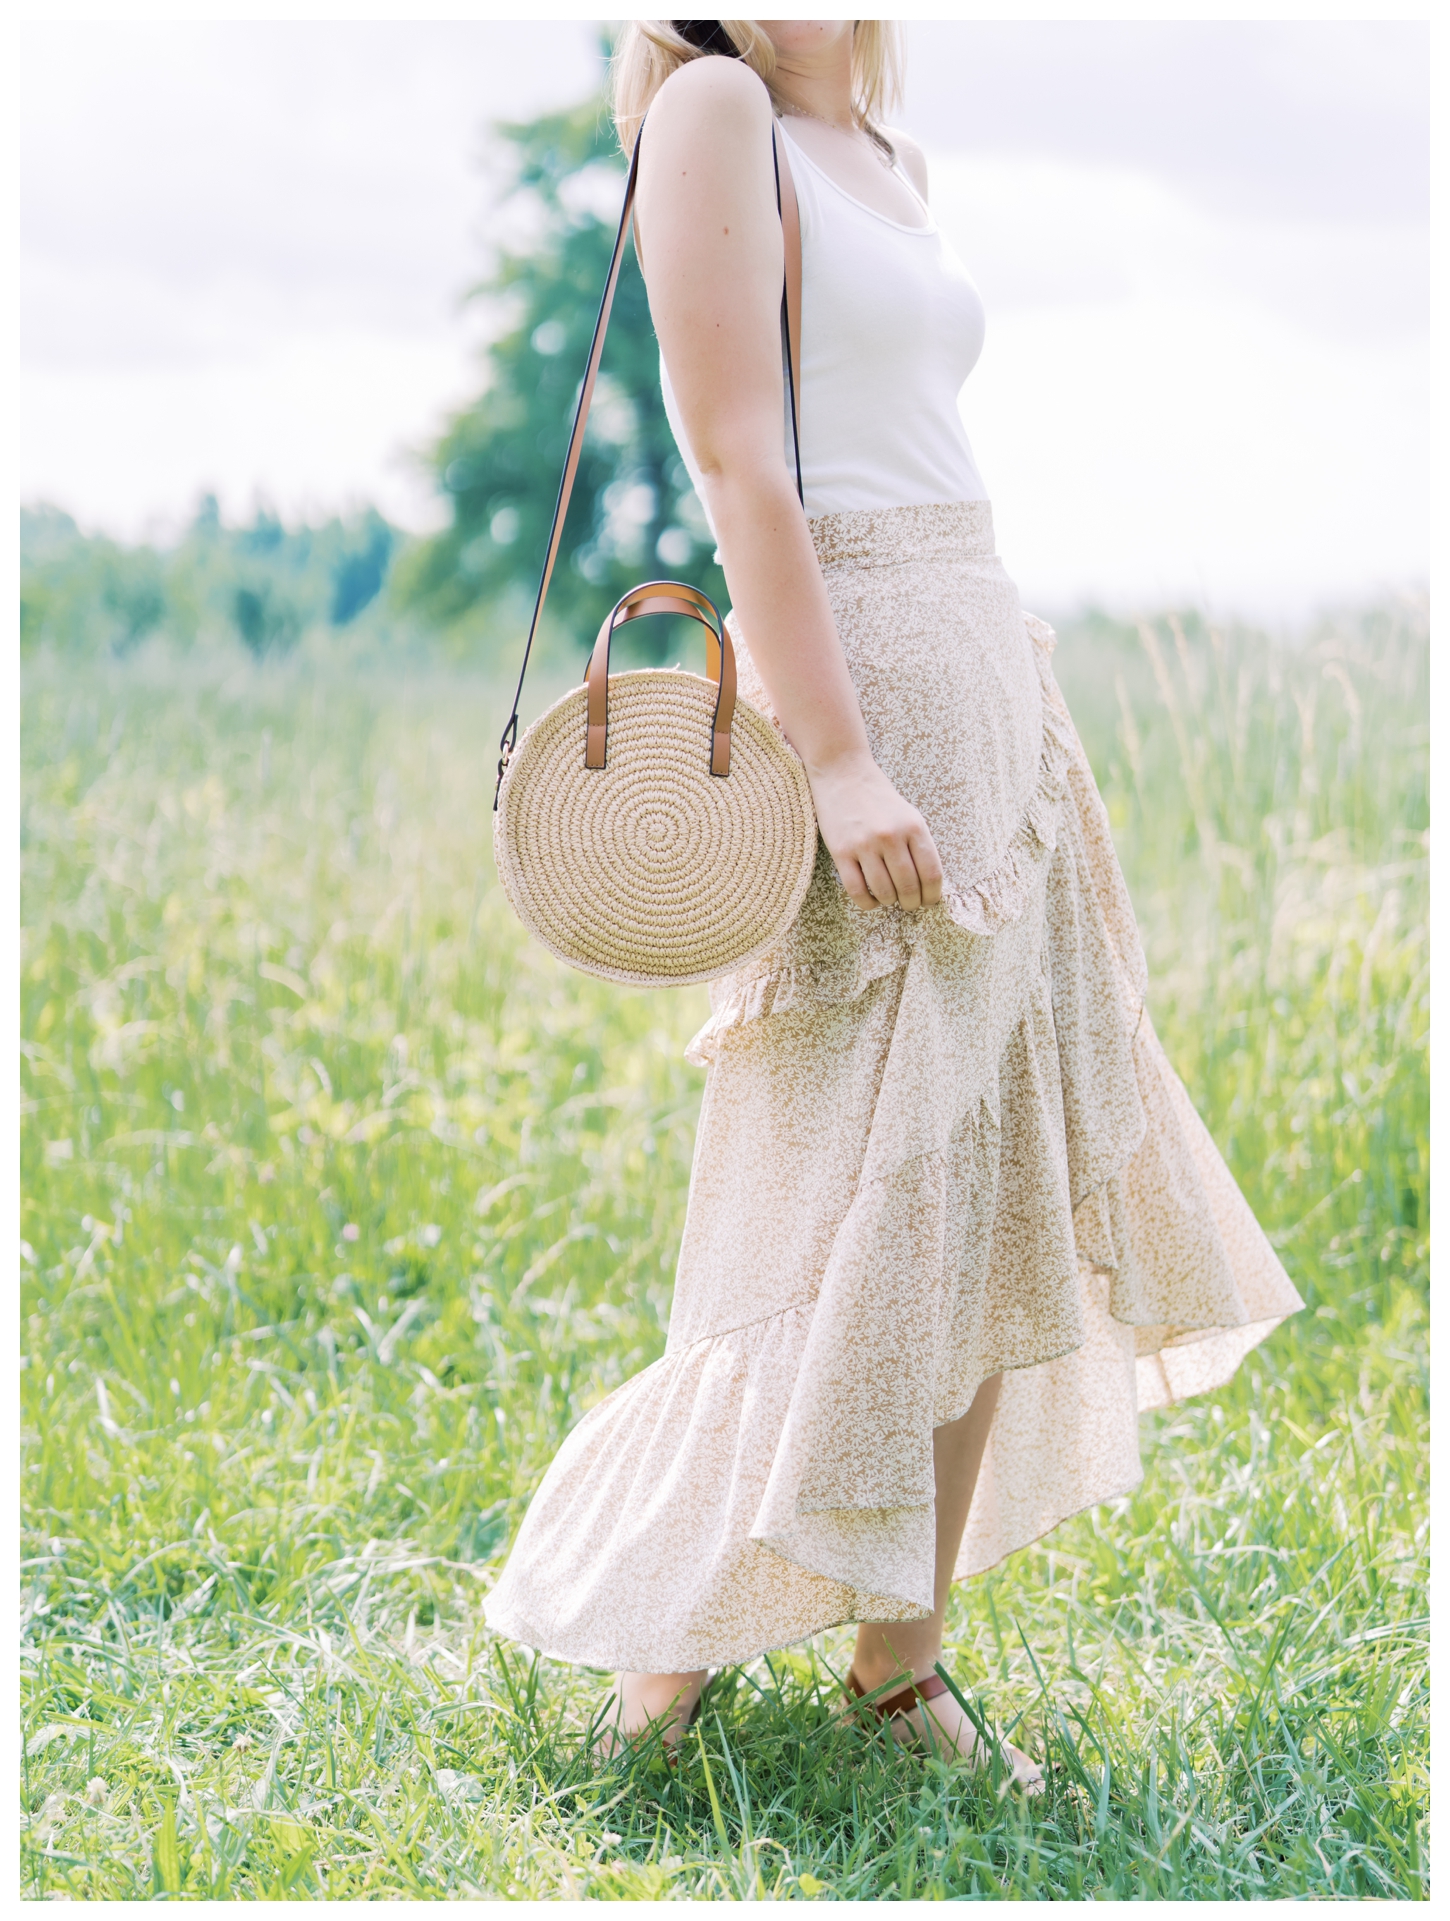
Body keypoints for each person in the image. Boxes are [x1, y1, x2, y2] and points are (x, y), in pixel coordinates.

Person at [483, 20, 1303, 1791]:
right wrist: (839, 757)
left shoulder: (874, 142)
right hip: (855, 666)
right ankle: (664, 1644)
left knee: (987, 1169)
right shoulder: (711, 107)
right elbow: (737, 461)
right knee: (833, 1180)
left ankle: (895, 1662)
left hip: (981, 649)